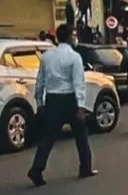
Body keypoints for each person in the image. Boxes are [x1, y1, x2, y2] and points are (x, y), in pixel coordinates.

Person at [27, 24, 95, 185]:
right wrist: (80, 105)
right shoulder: (74, 57)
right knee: (81, 135)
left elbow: (40, 82)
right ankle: (85, 167)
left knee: (49, 136)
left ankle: (36, 169)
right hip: (70, 99)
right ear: (70, 37)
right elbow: (79, 83)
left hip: (52, 99)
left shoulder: (47, 56)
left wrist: (40, 102)